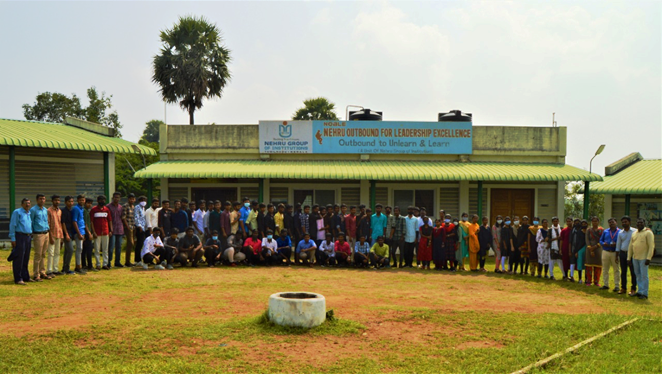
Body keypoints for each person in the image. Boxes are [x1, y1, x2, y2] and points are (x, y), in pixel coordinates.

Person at [628, 218, 655, 300]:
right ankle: (640, 291)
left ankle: (645, 293)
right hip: (635, 258)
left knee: (644, 276)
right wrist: (629, 258)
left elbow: (651, 246)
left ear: (644, 223)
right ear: (636, 224)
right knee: (638, 275)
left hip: (644, 258)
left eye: (641, 222)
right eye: (638, 222)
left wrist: (649, 258)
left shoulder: (648, 233)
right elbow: (630, 246)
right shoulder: (634, 233)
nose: (639, 224)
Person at [9, 198, 33, 285]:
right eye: (26, 203)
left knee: (26, 257)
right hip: (20, 236)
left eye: (29, 203)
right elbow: (12, 225)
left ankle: (25, 276)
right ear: (22, 204)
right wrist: (13, 238)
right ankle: (18, 278)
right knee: (19, 258)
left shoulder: (28, 213)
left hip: (28, 237)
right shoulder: (17, 212)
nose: (28, 205)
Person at [30, 194, 51, 281]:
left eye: (43, 199)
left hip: (46, 233)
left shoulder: (45, 210)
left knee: (43, 254)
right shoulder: (33, 210)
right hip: (38, 234)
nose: (42, 200)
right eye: (40, 199)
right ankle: (36, 274)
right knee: (38, 254)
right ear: (37, 200)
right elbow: (30, 221)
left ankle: (42, 272)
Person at [616, 216, 637, 296]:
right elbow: (618, 245)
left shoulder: (635, 231)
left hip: (632, 254)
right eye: (623, 222)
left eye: (626, 222)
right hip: (622, 254)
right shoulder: (620, 233)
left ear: (630, 222)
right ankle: (623, 288)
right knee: (623, 272)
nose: (624, 223)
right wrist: (616, 255)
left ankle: (633, 289)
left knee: (633, 272)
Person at [90, 195, 113, 270]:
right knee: (97, 249)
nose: (102, 201)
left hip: (106, 231)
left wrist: (110, 230)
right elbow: (91, 222)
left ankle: (105, 264)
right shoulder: (94, 209)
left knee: (105, 249)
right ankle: (98, 264)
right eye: (100, 200)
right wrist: (93, 232)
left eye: (103, 200)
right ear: (98, 201)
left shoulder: (106, 209)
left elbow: (109, 220)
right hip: (97, 232)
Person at [599, 218, 621, 292]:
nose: (611, 223)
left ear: (616, 223)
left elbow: (621, 242)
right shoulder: (605, 231)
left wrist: (616, 244)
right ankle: (606, 284)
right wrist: (603, 243)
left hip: (615, 252)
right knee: (605, 269)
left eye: (613, 222)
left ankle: (617, 286)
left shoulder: (620, 232)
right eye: (610, 222)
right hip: (606, 251)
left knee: (616, 269)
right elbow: (600, 240)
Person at [47, 195, 64, 277]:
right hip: (52, 234)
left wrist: (62, 237)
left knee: (57, 253)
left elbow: (60, 224)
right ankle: (49, 271)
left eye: (58, 200)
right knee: (51, 253)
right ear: (52, 201)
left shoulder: (59, 211)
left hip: (59, 234)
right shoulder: (49, 211)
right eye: (55, 200)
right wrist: (50, 236)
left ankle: (55, 269)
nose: (57, 202)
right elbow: (48, 225)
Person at [107, 192, 124, 268]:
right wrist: (109, 230)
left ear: (120, 199)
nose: (116, 199)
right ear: (112, 198)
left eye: (118, 197)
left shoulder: (121, 207)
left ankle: (117, 262)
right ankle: (108, 262)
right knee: (111, 247)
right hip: (112, 229)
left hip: (119, 229)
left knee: (119, 247)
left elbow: (122, 218)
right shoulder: (108, 207)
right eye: (115, 197)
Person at [585, 217, 604, 287]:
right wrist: (590, 248)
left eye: (596, 221)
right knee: (589, 266)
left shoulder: (601, 230)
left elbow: (602, 239)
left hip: (598, 248)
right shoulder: (588, 230)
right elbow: (587, 240)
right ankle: (588, 281)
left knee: (598, 266)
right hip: (589, 249)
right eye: (593, 221)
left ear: (598, 222)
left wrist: (596, 246)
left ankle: (596, 281)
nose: (594, 223)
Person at [71, 195, 87, 275]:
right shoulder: (76, 209)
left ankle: (79, 265)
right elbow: (74, 221)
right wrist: (79, 233)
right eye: (80, 200)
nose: (82, 201)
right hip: (78, 232)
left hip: (82, 231)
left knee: (80, 249)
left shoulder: (82, 209)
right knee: (79, 249)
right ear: (77, 200)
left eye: (83, 200)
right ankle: (78, 266)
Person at [60, 196, 77, 275]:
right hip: (66, 232)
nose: (71, 203)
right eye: (69, 201)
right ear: (65, 202)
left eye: (72, 201)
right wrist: (66, 234)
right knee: (70, 250)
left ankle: (65, 269)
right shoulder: (63, 211)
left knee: (67, 251)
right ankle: (66, 268)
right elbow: (63, 223)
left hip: (71, 232)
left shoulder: (72, 210)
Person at [121, 193, 136, 267]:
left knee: (131, 244)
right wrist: (127, 227)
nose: (132, 200)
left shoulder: (133, 207)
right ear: (128, 199)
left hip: (133, 226)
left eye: (133, 199)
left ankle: (129, 261)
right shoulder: (125, 206)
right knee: (130, 243)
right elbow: (123, 217)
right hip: (128, 227)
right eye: (130, 198)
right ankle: (127, 261)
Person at [569, 219, 586, 283]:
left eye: (578, 222)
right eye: (575, 222)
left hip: (582, 249)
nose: (577, 224)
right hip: (574, 248)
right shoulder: (573, 231)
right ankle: (571, 276)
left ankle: (586, 279)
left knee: (583, 264)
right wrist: (570, 251)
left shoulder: (584, 231)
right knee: (572, 262)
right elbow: (570, 241)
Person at [81, 198, 96, 272]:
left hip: (87, 232)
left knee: (87, 249)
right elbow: (85, 223)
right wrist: (89, 233)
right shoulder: (84, 211)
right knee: (87, 250)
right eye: (88, 203)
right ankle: (87, 265)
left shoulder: (87, 211)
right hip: (85, 233)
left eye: (90, 203)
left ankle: (86, 265)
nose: (89, 204)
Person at [134, 196, 147, 266]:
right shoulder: (137, 207)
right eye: (142, 200)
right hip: (139, 228)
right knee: (139, 244)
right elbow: (136, 217)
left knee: (142, 244)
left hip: (144, 228)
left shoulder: (144, 208)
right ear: (139, 201)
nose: (143, 201)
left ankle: (140, 258)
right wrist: (139, 226)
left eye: (144, 200)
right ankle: (137, 260)